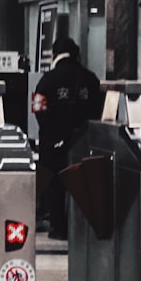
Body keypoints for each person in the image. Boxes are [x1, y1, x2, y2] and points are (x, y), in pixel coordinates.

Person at [32, 36, 103, 241]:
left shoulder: (47, 80)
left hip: (53, 143)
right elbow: (98, 109)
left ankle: (59, 227)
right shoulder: (91, 79)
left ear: (55, 55)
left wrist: (53, 134)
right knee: (82, 183)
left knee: (55, 184)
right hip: (84, 141)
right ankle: (81, 225)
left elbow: (38, 108)